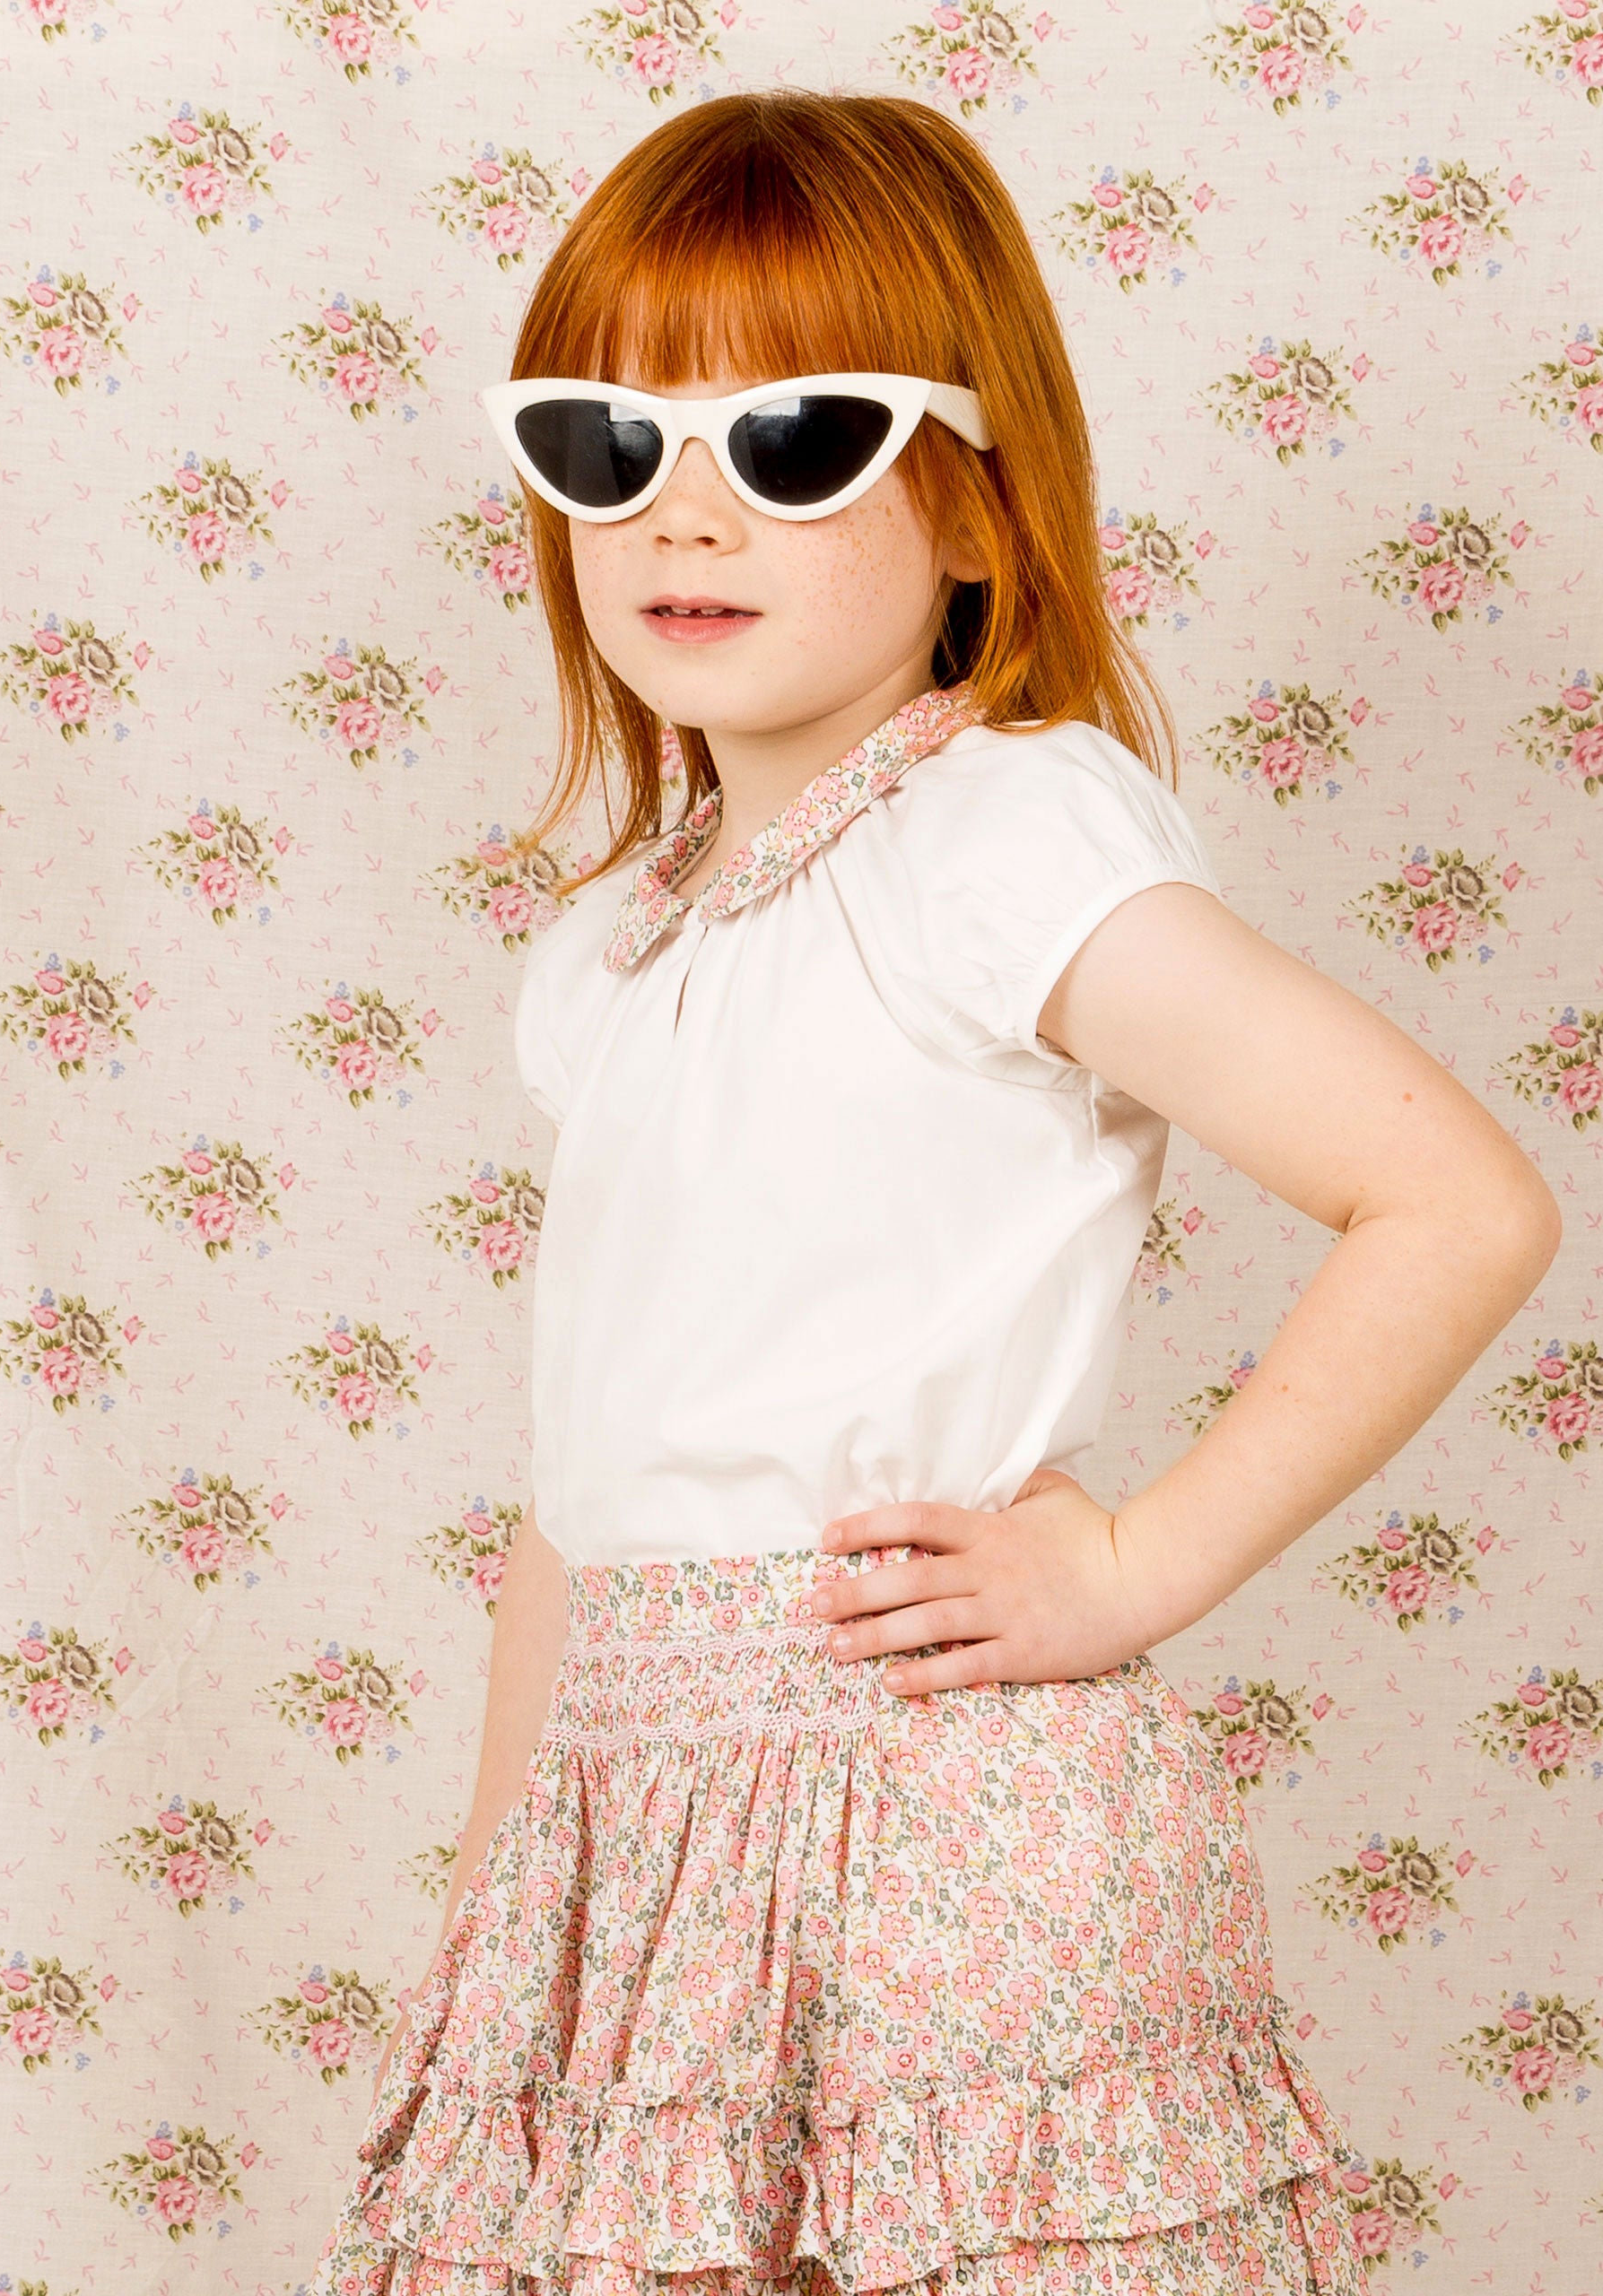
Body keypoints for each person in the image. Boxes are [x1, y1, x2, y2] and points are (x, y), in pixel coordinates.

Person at [305, 89, 1560, 2296]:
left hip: (931, 1826)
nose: (685, 510)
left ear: (974, 509)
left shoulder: (996, 841)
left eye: (793, 441)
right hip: (637, 1843)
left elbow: (1451, 1197)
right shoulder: (616, 948)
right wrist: (504, 1911)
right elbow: (578, 1500)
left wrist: (1136, 1561)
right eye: (608, 445)